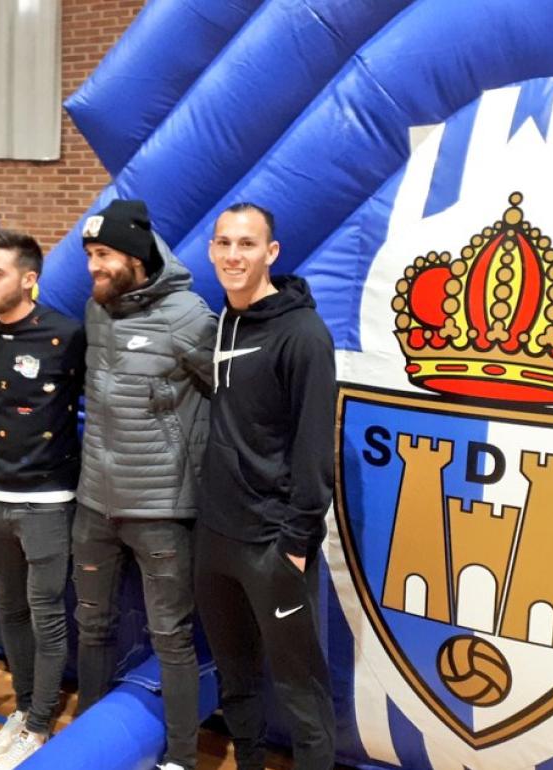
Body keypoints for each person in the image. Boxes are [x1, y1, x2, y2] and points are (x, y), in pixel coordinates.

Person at [194, 203, 338, 769]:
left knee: (302, 689)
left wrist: (296, 544)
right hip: (215, 535)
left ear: (270, 253)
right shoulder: (222, 322)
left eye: (247, 244)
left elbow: (312, 450)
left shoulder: (303, 334)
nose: (234, 255)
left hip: (274, 545)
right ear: (211, 250)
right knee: (235, 675)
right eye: (224, 243)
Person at [75, 199, 216, 770]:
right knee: (92, 624)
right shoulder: (96, 310)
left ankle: (181, 757)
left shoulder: (189, 316)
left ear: (135, 256)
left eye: (103, 254)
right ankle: (87, 741)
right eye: (88, 256)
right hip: (93, 502)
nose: (93, 267)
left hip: (159, 508)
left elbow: (226, 398)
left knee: (171, 636)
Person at [0, 228, 86, 768]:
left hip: (48, 499)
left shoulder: (68, 334)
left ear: (29, 279)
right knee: (10, 611)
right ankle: (22, 709)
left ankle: (39, 725)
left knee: (46, 615)